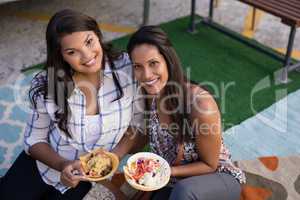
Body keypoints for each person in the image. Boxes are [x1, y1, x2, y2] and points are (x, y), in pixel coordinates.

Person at [0, 9, 140, 200]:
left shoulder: (128, 67)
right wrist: (63, 165)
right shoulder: (47, 84)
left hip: (83, 180)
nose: (87, 56)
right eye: (72, 52)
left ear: (98, 36)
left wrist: (114, 157)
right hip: (44, 165)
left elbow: (138, 123)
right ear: (61, 56)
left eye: (89, 41)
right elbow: (33, 140)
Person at [127, 26, 246, 200]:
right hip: (173, 179)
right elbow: (146, 132)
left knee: (184, 192)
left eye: (153, 63)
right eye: (138, 66)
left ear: (168, 60)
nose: (146, 75)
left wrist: (164, 172)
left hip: (217, 178)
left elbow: (210, 164)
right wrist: (114, 155)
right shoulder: (148, 93)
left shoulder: (200, 104)